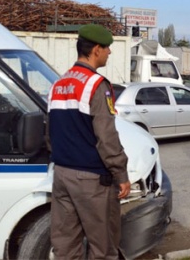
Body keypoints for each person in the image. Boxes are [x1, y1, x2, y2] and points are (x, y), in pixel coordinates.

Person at [47, 24, 131, 259]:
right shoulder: (96, 85)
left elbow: (50, 133)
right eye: (107, 48)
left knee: (65, 247)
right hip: (92, 181)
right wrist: (121, 174)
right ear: (96, 49)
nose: (109, 53)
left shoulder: (58, 84)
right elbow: (107, 138)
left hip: (62, 174)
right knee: (103, 248)